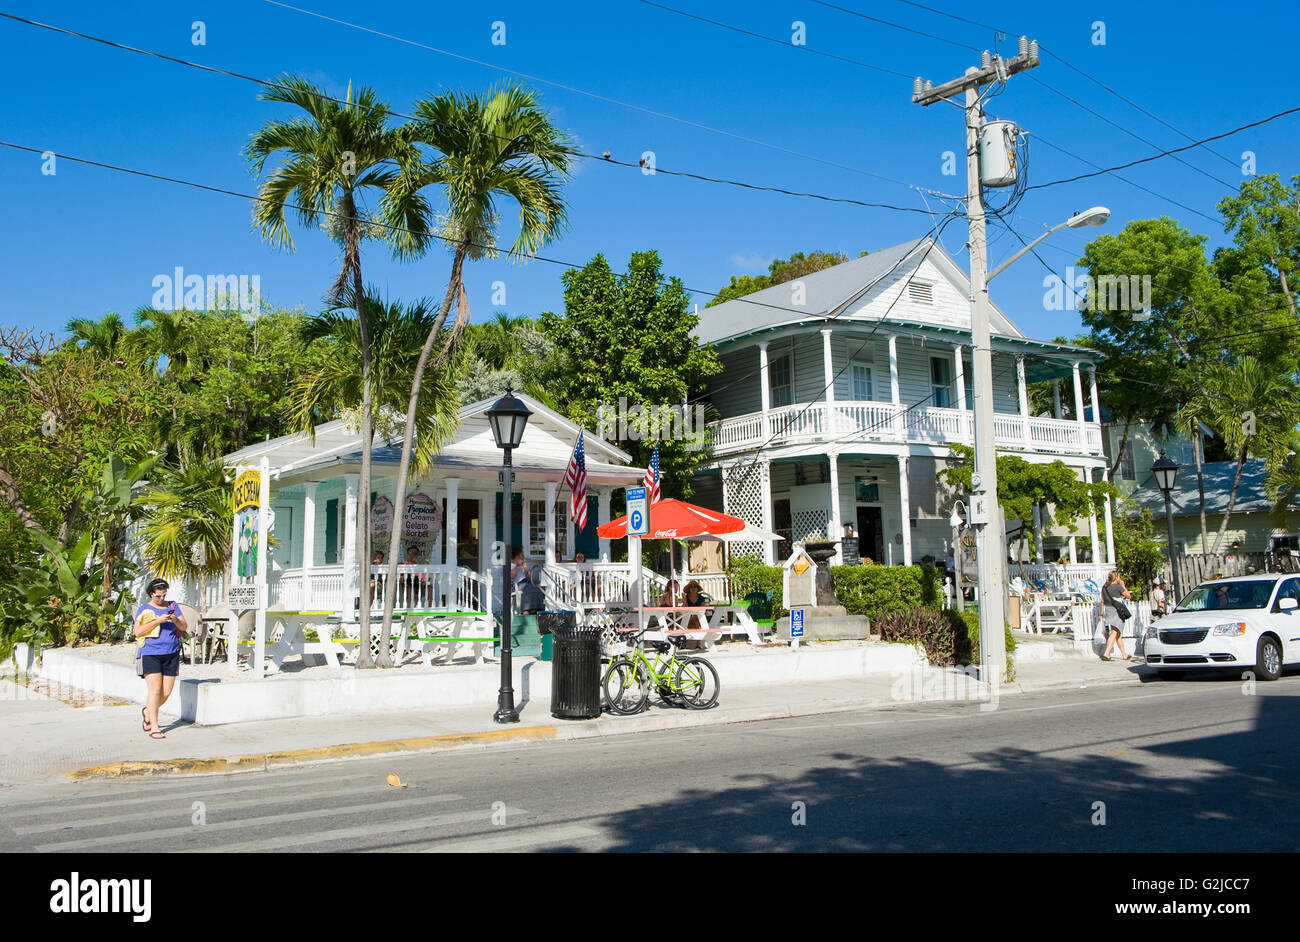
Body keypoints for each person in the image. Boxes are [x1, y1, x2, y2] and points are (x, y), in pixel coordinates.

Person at [135, 578, 187, 739]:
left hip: (171, 653)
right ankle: (155, 727)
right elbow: (138, 632)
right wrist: (158, 620)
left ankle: (147, 712)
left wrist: (174, 619)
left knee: (166, 692)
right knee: (155, 690)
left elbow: (184, 626)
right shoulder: (144, 610)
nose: (161, 599)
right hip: (150, 653)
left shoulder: (172, 606)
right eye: (158, 596)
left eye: (164, 595)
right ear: (151, 594)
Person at [1100, 570, 1132, 661]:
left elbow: (1102, 601)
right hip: (1116, 611)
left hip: (1108, 610)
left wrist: (1101, 613)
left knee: (1118, 634)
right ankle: (1106, 654)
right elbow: (1128, 596)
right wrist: (1123, 585)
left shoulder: (1104, 587)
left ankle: (1124, 654)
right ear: (1116, 577)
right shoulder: (1118, 587)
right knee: (1114, 632)